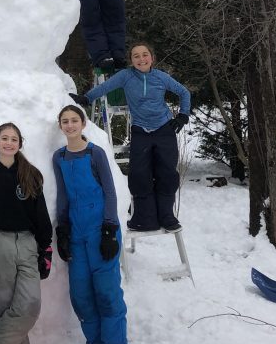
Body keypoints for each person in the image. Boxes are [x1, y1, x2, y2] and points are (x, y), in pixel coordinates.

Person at [72, 41, 190, 231]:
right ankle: (144, 218)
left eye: (145, 55)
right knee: (139, 175)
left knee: (167, 173)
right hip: (140, 130)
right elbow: (105, 87)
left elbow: (184, 92)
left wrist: (183, 116)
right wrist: (86, 99)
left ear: (152, 58)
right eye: (136, 56)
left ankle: (167, 217)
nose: (141, 59)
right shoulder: (126, 76)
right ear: (131, 60)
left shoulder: (161, 77)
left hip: (164, 130)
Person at [53, 104, 127, 344]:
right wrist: (62, 229)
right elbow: (62, 194)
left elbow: (109, 191)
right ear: (60, 126)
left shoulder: (95, 154)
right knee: (81, 295)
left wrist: (109, 228)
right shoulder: (59, 157)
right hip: (76, 233)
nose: (70, 125)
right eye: (65, 121)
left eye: (75, 120)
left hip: (100, 230)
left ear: (83, 124)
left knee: (107, 292)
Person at [0, 123, 53, 344]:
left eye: (14, 139)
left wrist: (46, 248)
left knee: (30, 304)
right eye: (4, 138)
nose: (9, 143)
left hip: (28, 242)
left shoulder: (30, 173)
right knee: (4, 304)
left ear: (20, 143)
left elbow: (40, 214)